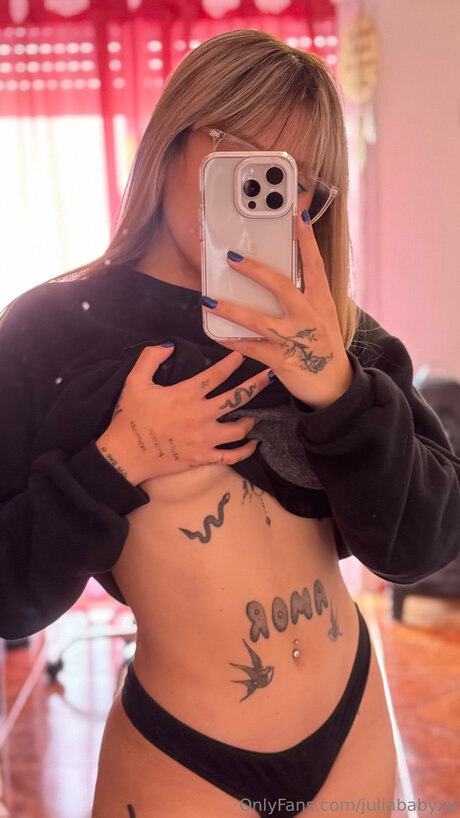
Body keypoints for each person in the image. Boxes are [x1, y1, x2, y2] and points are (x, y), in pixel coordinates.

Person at [0, 28, 459, 818]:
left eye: (297, 183)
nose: (267, 196)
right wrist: (117, 460)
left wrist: (338, 389)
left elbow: (425, 547)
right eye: (245, 157)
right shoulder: (51, 335)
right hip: (181, 758)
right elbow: (7, 599)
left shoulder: (341, 335)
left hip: (353, 723)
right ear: (174, 139)